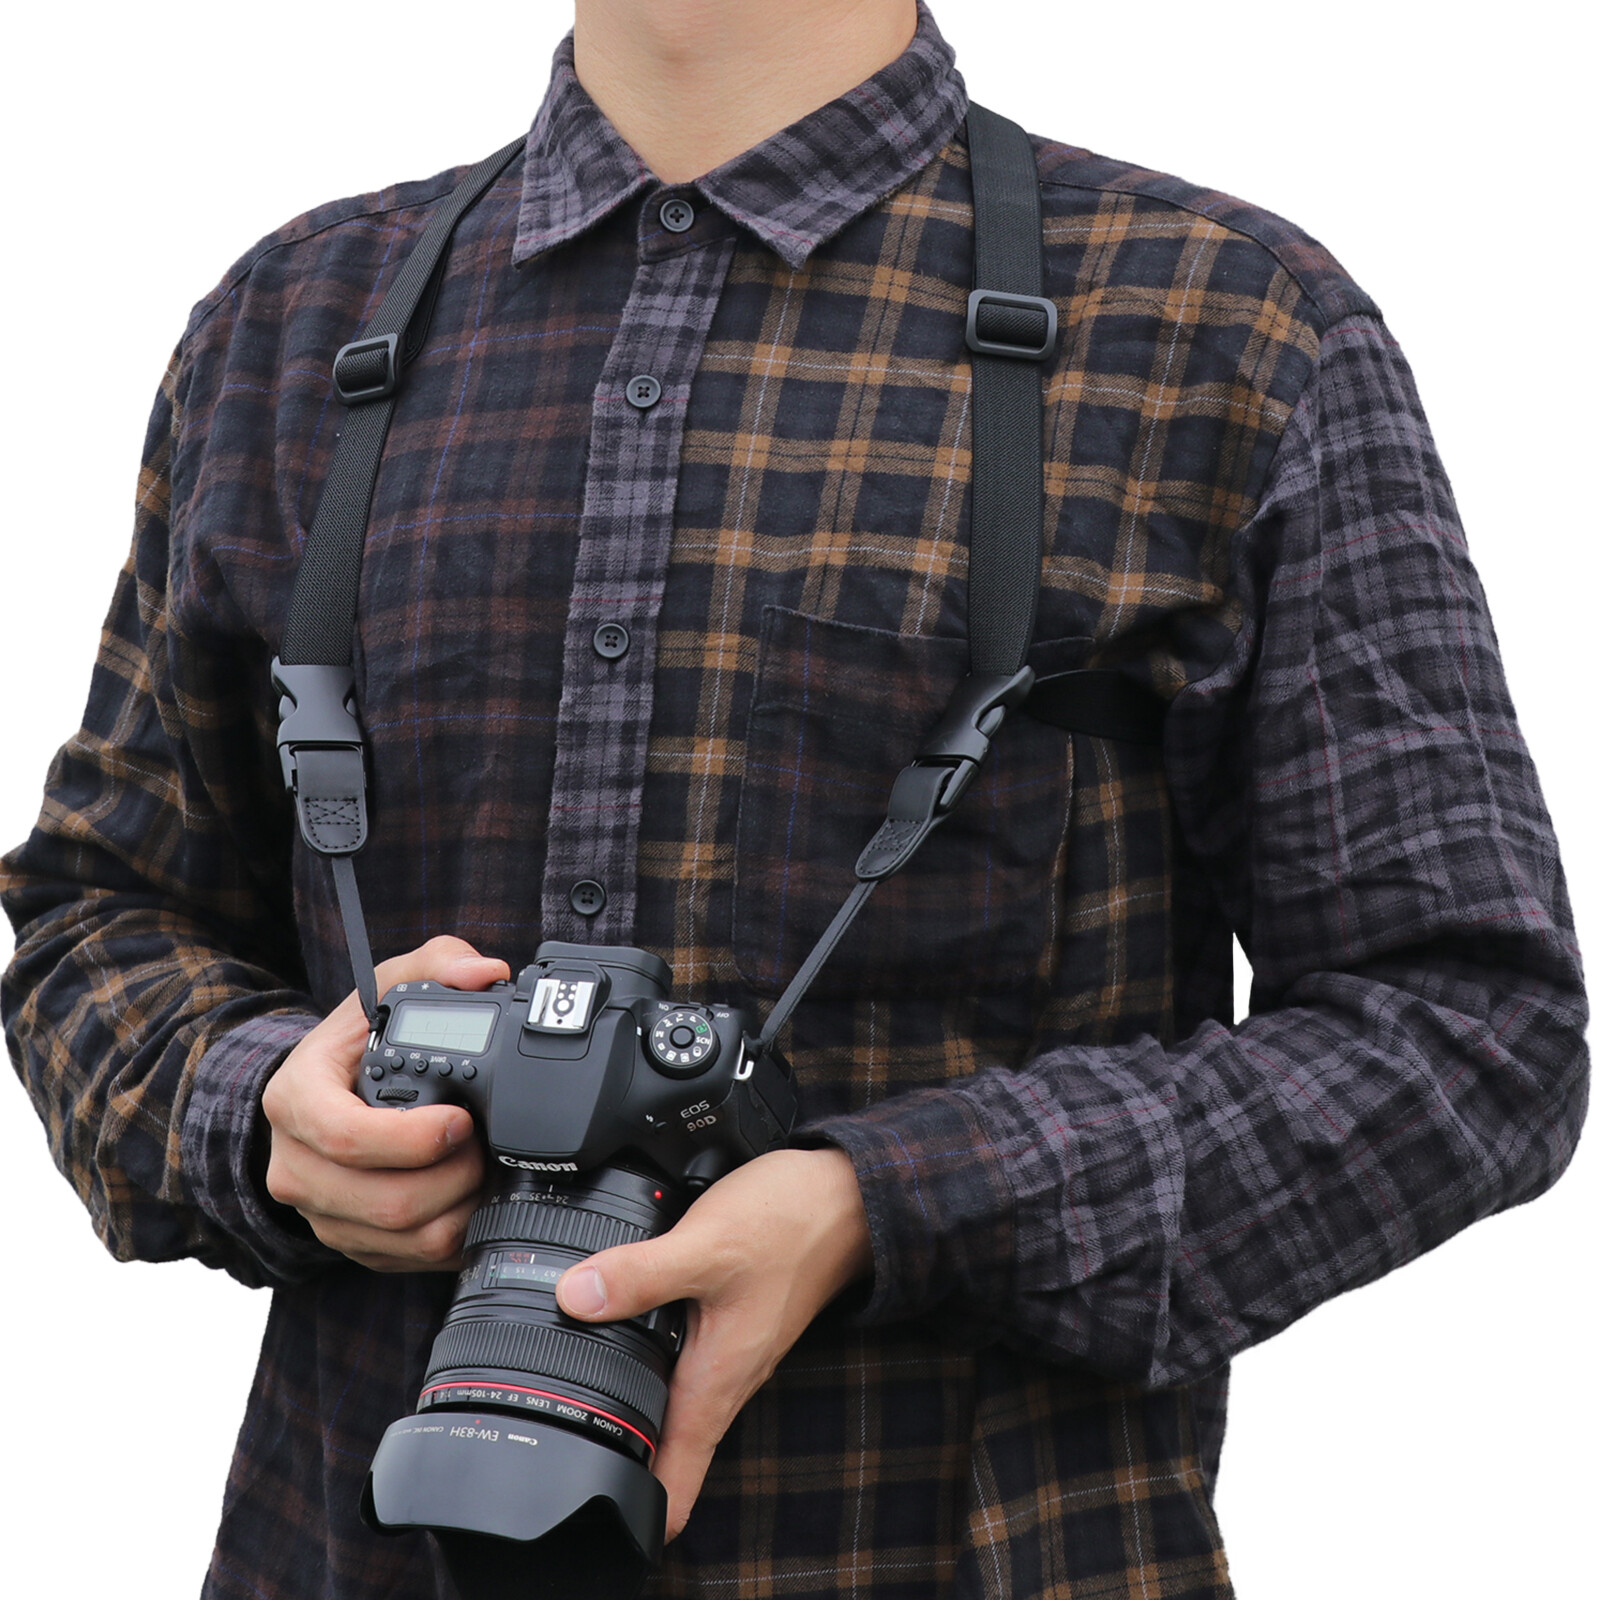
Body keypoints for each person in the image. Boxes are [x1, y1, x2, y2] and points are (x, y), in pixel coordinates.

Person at [1, 1, 1587, 1596]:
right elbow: (97, 917)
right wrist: (262, 1108)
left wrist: (889, 1205)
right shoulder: (292, 325)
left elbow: (1473, 1029)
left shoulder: (1218, 325)